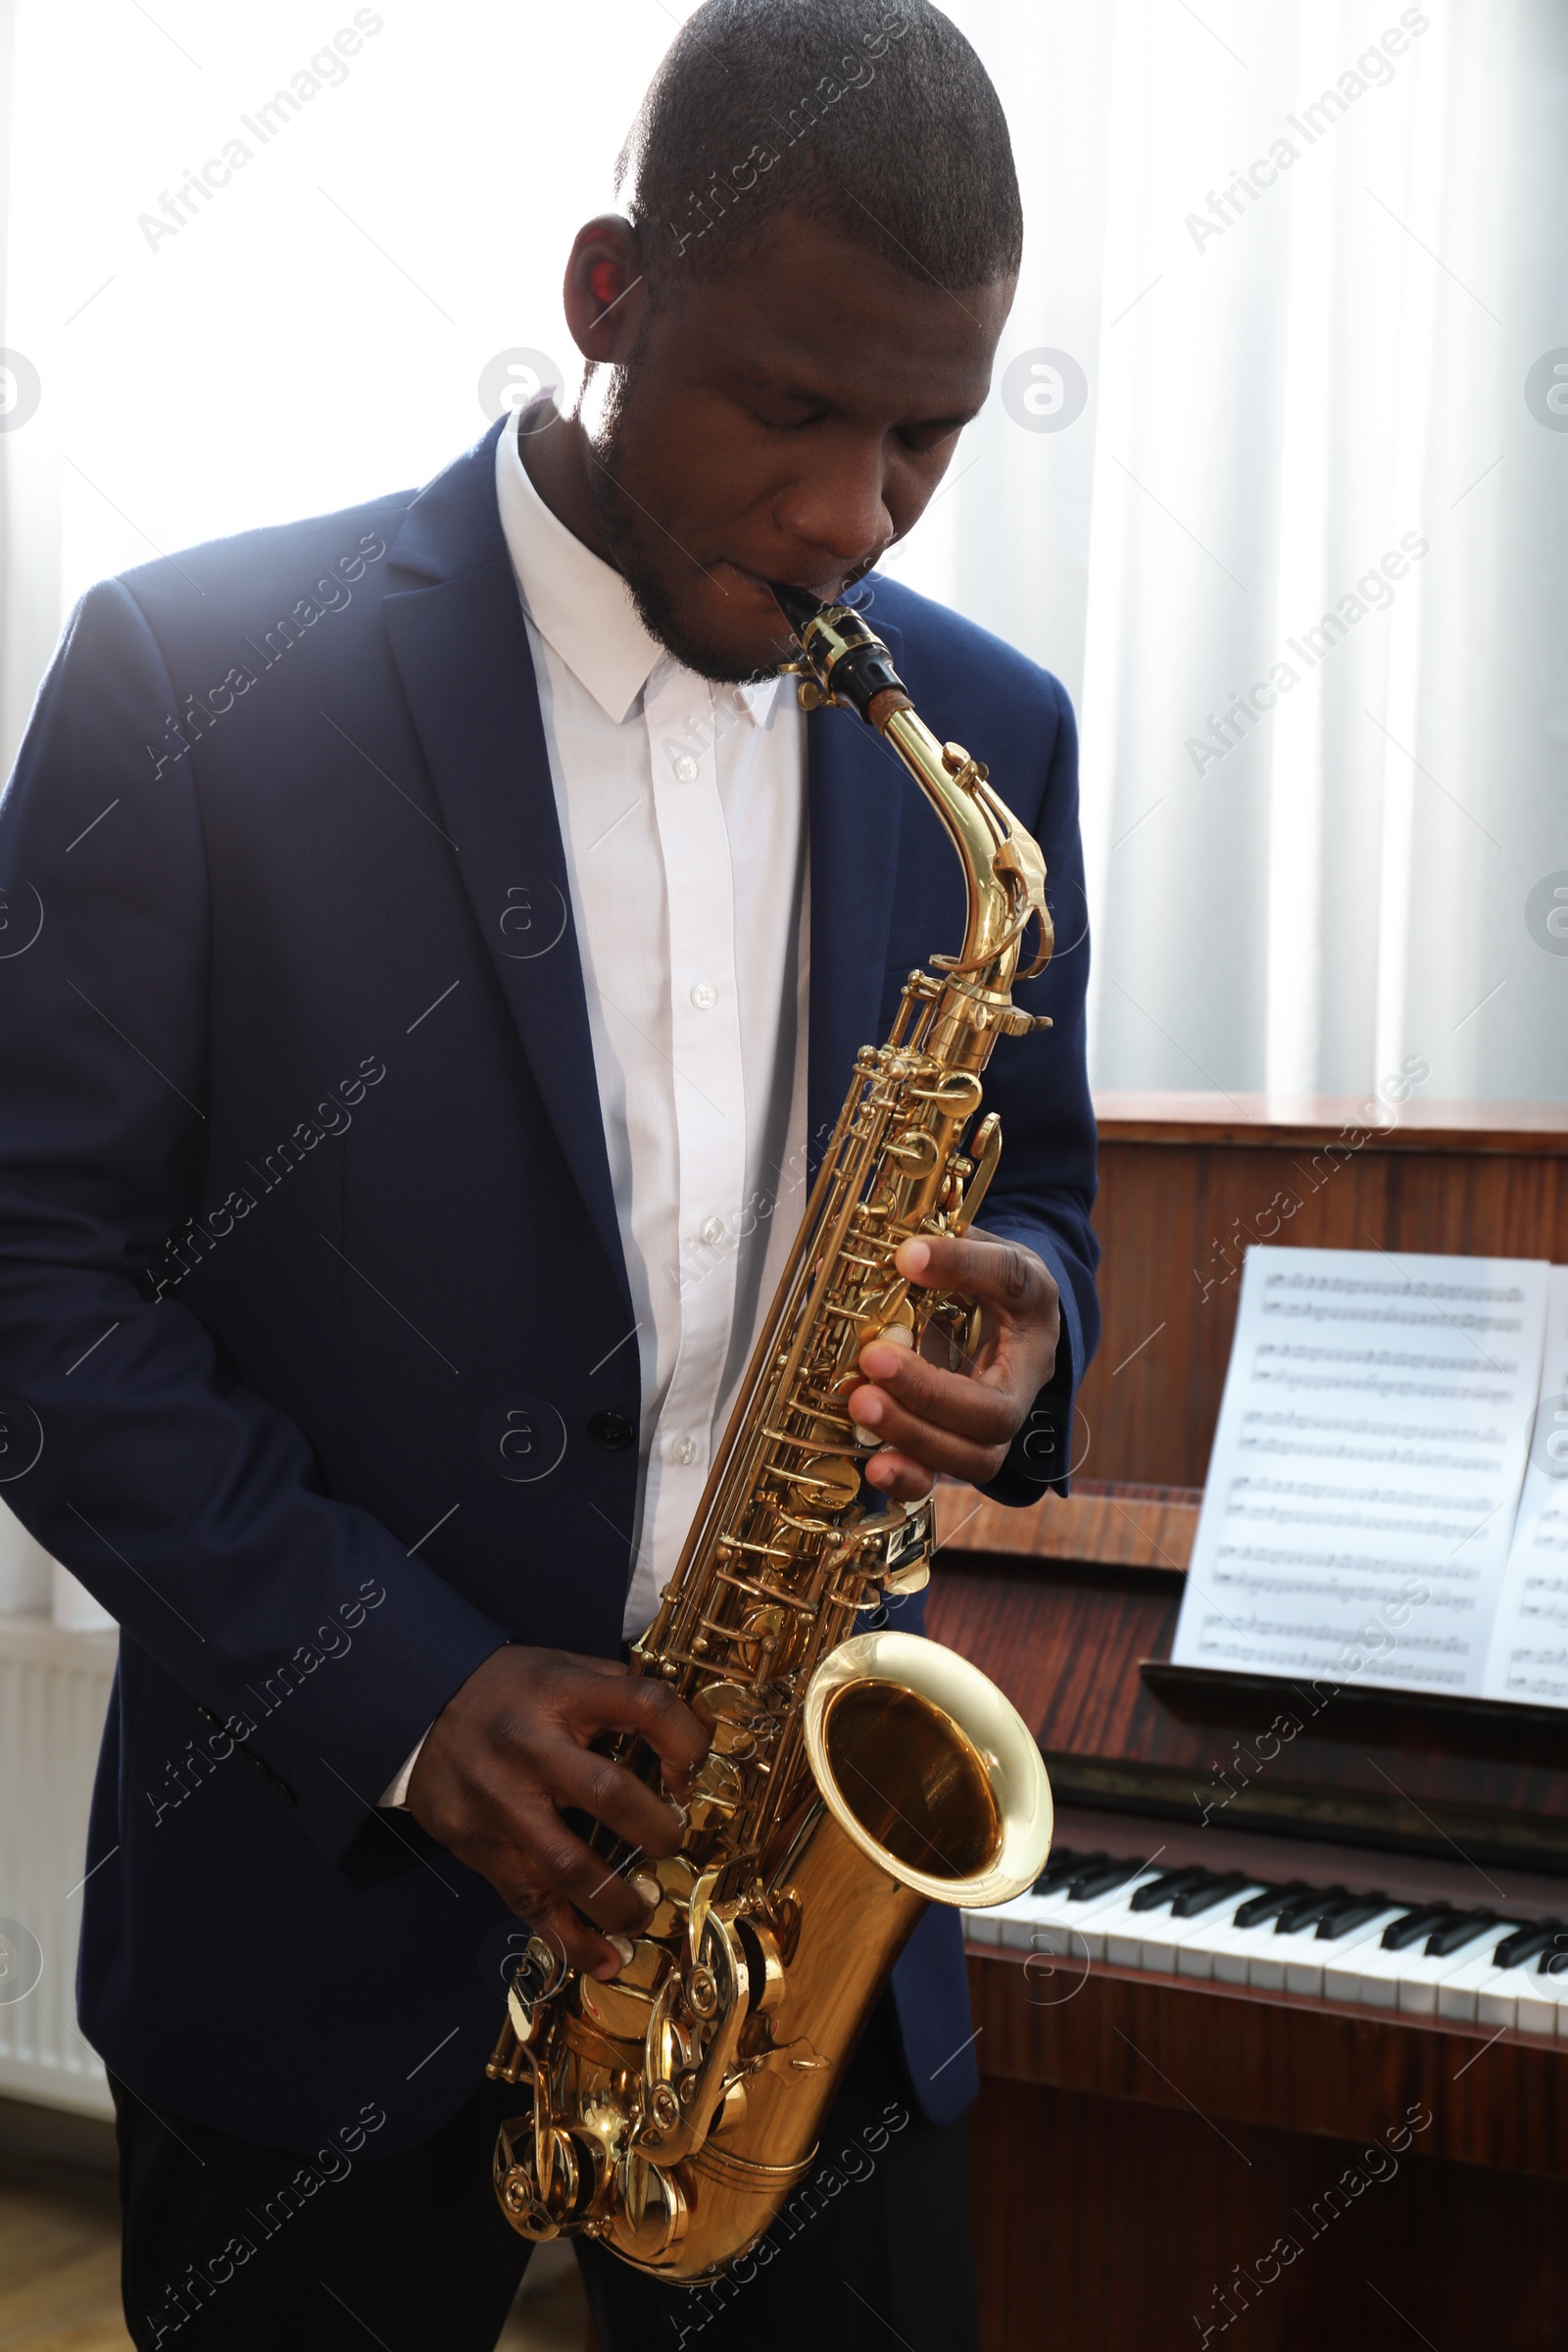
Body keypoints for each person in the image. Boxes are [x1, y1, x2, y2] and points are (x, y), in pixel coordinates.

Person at [0, 2, 1098, 2345]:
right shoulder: (192, 674)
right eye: (790, 408)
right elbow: (29, 1275)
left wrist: (1029, 1315)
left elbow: (1056, 1202)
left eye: (926, 435)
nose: (851, 512)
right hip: (314, 1915)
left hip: (800, 1944)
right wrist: (397, 1688)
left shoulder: (990, 734)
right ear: (606, 294)